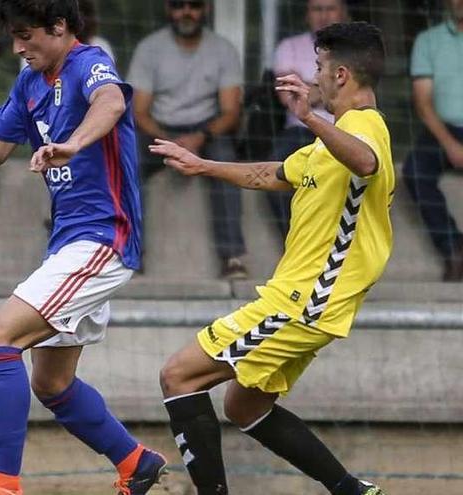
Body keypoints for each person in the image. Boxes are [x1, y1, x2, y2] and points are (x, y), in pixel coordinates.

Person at [0, 1, 166, 493]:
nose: (17, 47)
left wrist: (73, 143)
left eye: (26, 36)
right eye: (12, 37)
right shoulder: (29, 83)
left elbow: (111, 103)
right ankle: (136, 462)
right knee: (50, 384)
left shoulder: (87, 63)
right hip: (68, 244)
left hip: (102, 238)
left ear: (60, 27)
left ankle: (2, 484)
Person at [150, 22, 390, 495]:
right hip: (305, 298)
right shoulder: (330, 139)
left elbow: (366, 162)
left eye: (319, 67)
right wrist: (201, 165)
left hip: (307, 299)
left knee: (178, 375)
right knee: (244, 406)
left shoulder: (364, 125)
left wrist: (310, 117)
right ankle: (351, 490)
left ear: (341, 74)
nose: (314, 77)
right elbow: (272, 173)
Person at [128, 0, 247, 279]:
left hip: (207, 130)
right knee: (127, 159)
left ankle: (232, 258)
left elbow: (231, 112)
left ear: (206, 9)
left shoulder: (223, 49)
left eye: (194, 5)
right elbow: (138, 112)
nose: (186, 12)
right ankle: (132, 255)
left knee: (227, 161)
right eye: (178, 5)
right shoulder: (149, 48)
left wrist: (199, 137)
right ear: (168, 9)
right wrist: (168, 140)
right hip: (158, 129)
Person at [267, 0, 348, 238]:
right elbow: (289, 99)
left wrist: (308, 88)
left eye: (330, 8)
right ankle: (297, 240)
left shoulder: (355, 50)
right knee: (277, 171)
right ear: (307, 14)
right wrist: (334, 88)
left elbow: (354, 98)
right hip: (300, 129)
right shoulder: (288, 46)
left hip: (343, 128)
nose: (324, 15)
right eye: (317, 9)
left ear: (343, 12)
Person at [403, 0, 463, 281]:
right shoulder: (429, 41)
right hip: (443, 130)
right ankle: (454, 249)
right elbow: (423, 102)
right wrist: (450, 144)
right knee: (414, 169)